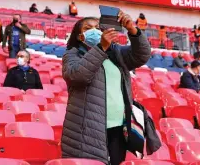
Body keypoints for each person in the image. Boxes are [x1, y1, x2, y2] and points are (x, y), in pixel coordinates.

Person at [61, 11, 151, 165]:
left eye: (97, 27)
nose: (95, 30)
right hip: (88, 130)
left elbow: (141, 55)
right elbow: (78, 75)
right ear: (80, 37)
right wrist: (101, 47)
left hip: (118, 128)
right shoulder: (72, 55)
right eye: (88, 28)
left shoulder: (115, 53)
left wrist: (133, 30)